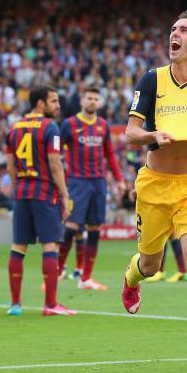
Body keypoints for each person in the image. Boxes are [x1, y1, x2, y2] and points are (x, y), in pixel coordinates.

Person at [122, 11, 187, 372]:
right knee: (151, 265)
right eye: (172, 29)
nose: (174, 33)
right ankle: (131, 277)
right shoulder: (151, 80)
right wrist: (154, 136)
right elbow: (130, 133)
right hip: (154, 186)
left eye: (183, 30)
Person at [5, 85, 76, 316]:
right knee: (51, 245)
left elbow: (10, 166)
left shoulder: (14, 128)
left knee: (19, 246)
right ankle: (51, 304)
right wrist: (65, 195)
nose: (58, 106)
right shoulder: (50, 127)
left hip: (22, 192)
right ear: (40, 104)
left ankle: (15, 304)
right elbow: (55, 163)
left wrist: (20, 185)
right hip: (45, 192)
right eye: (54, 101)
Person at [59, 85, 125, 291]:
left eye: (96, 98)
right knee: (71, 227)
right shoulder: (69, 124)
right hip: (77, 182)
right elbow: (56, 152)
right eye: (89, 98)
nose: (92, 102)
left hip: (98, 182)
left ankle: (85, 278)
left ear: (100, 102)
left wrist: (119, 178)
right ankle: (58, 270)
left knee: (95, 228)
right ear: (82, 101)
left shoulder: (103, 126)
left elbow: (110, 155)